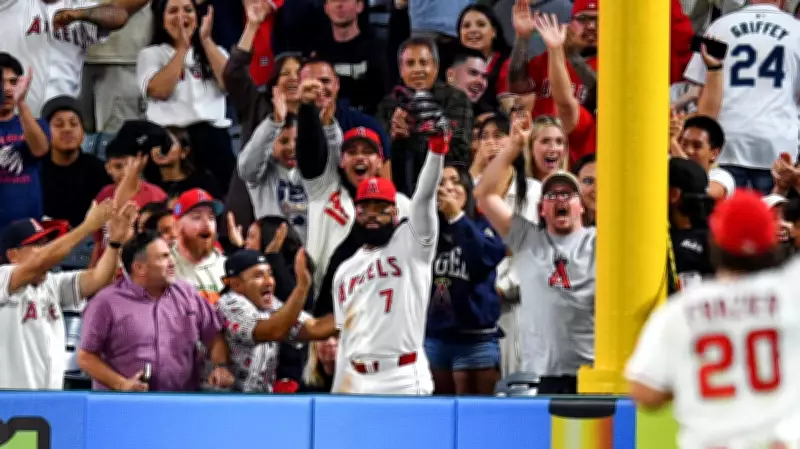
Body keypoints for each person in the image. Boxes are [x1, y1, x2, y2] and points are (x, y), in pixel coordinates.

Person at [626, 189, 798, 448]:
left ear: (715, 242)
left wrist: (689, 373)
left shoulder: (681, 309)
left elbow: (644, 393)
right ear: (771, 244)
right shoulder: (791, 293)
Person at [474, 114, 596, 395]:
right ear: (541, 208)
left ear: (581, 206)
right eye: (552, 196)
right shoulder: (528, 239)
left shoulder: (599, 241)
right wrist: (515, 145)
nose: (560, 200)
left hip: (591, 372)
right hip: (541, 373)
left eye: (568, 194)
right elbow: (484, 194)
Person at [331, 131, 447, 395]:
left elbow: (425, 197)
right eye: (366, 208)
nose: (372, 215)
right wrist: (338, 393)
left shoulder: (413, 244)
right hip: (357, 378)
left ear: (395, 213)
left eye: (381, 208)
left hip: (404, 375)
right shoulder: (344, 270)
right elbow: (347, 340)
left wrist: (437, 150)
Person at [0, 200, 133, 389]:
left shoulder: (51, 283)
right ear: (12, 254)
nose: (45, 250)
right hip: (9, 403)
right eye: (36, 245)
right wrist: (87, 227)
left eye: (46, 244)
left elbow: (99, 278)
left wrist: (114, 243)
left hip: (50, 400)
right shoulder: (3, 277)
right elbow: (39, 261)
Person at [78, 231, 235, 392]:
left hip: (180, 403)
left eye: (170, 255)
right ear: (140, 268)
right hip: (124, 406)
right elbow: (86, 356)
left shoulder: (188, 294)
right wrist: (122, 384)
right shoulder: (105, 303)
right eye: (163, 257)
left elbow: (214, 335)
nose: (172, 262)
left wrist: (220, 366)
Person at [683, 0, 800, 193]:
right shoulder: (796, 30)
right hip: (777, 146)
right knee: (769, 219)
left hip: (726, 141)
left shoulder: (721, 26)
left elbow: (702, 91)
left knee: (725, 219)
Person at [425, 160, 506, 395]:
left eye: (456, 182)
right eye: (441, 183)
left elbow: (484, 260)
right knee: (438, 419)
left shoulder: (484, 225)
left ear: (468, 191)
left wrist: (457, 218)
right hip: (435, 338)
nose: (448, 188)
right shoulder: (426, 231)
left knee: (479, 419)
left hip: (477, 341)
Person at [217, 249, 336, 392]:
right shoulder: (228, 304)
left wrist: (355, 314)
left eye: (270, 274)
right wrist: (302, 287)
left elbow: (314, 327)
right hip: (223, 402)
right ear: (236, 284)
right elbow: (273, 331)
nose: (269, 281)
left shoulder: (271, 304)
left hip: (259, 402)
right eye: (258, 275)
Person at [0, 0, 148, 116]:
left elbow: (118, 15)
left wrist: (76, 15)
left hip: (60, 111)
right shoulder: (13, 5)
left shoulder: (75, 6)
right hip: (16, 109)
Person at [40, 96, 111, 228]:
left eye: (74, 124)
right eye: (58, 124)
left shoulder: (98, 170)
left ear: (83, 133)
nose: (67, 129)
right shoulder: (36, 171)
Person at [0, 53, 49, 231]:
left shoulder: (35, 124)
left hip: (28, 231)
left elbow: (40, 149)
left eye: (13, 82)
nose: (7, 89)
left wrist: (20, 103)